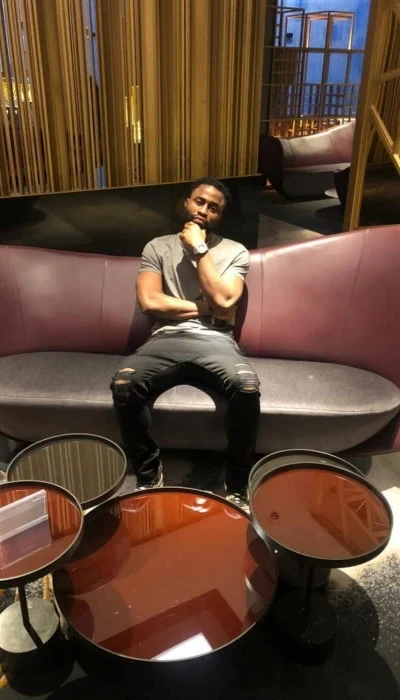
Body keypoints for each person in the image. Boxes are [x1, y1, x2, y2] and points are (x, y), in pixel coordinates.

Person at [110, 177, 260, 511]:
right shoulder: (157, 247)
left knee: (247, 386)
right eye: (199, 202)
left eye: (213, 208)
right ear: (186, 203)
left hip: (216, 340)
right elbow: (150, 302)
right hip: (166, 337)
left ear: (220, 216)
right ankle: (149, 475)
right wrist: (207, 308)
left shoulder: (235, 251)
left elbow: (224, 298)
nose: (204, 210)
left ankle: (237, 484)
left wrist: (198, 249)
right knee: (124, 383)